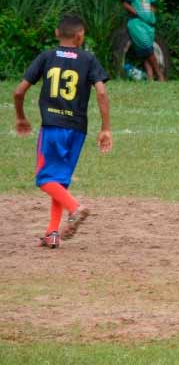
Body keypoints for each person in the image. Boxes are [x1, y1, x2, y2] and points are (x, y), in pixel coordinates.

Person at [12, 14, 112, 248]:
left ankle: (75, 208)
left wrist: (20, 117)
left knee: (45, 179)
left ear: (58, 34)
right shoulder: (88, 59)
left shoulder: (46, 57)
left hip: (52, 128)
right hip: (77, 129)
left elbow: (18, 92)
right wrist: (106, 128)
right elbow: (101, 93)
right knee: (60, 180)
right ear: (80, 36)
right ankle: (52, 233)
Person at [122, 0, 165, 81]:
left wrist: (151, 15)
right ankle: (160, 75)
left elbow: (152, 3)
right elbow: (125, 3)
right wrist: (137, 13)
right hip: (136, 22)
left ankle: (150, 77)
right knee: (147, 48)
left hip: (149, 23)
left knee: (145, 51)